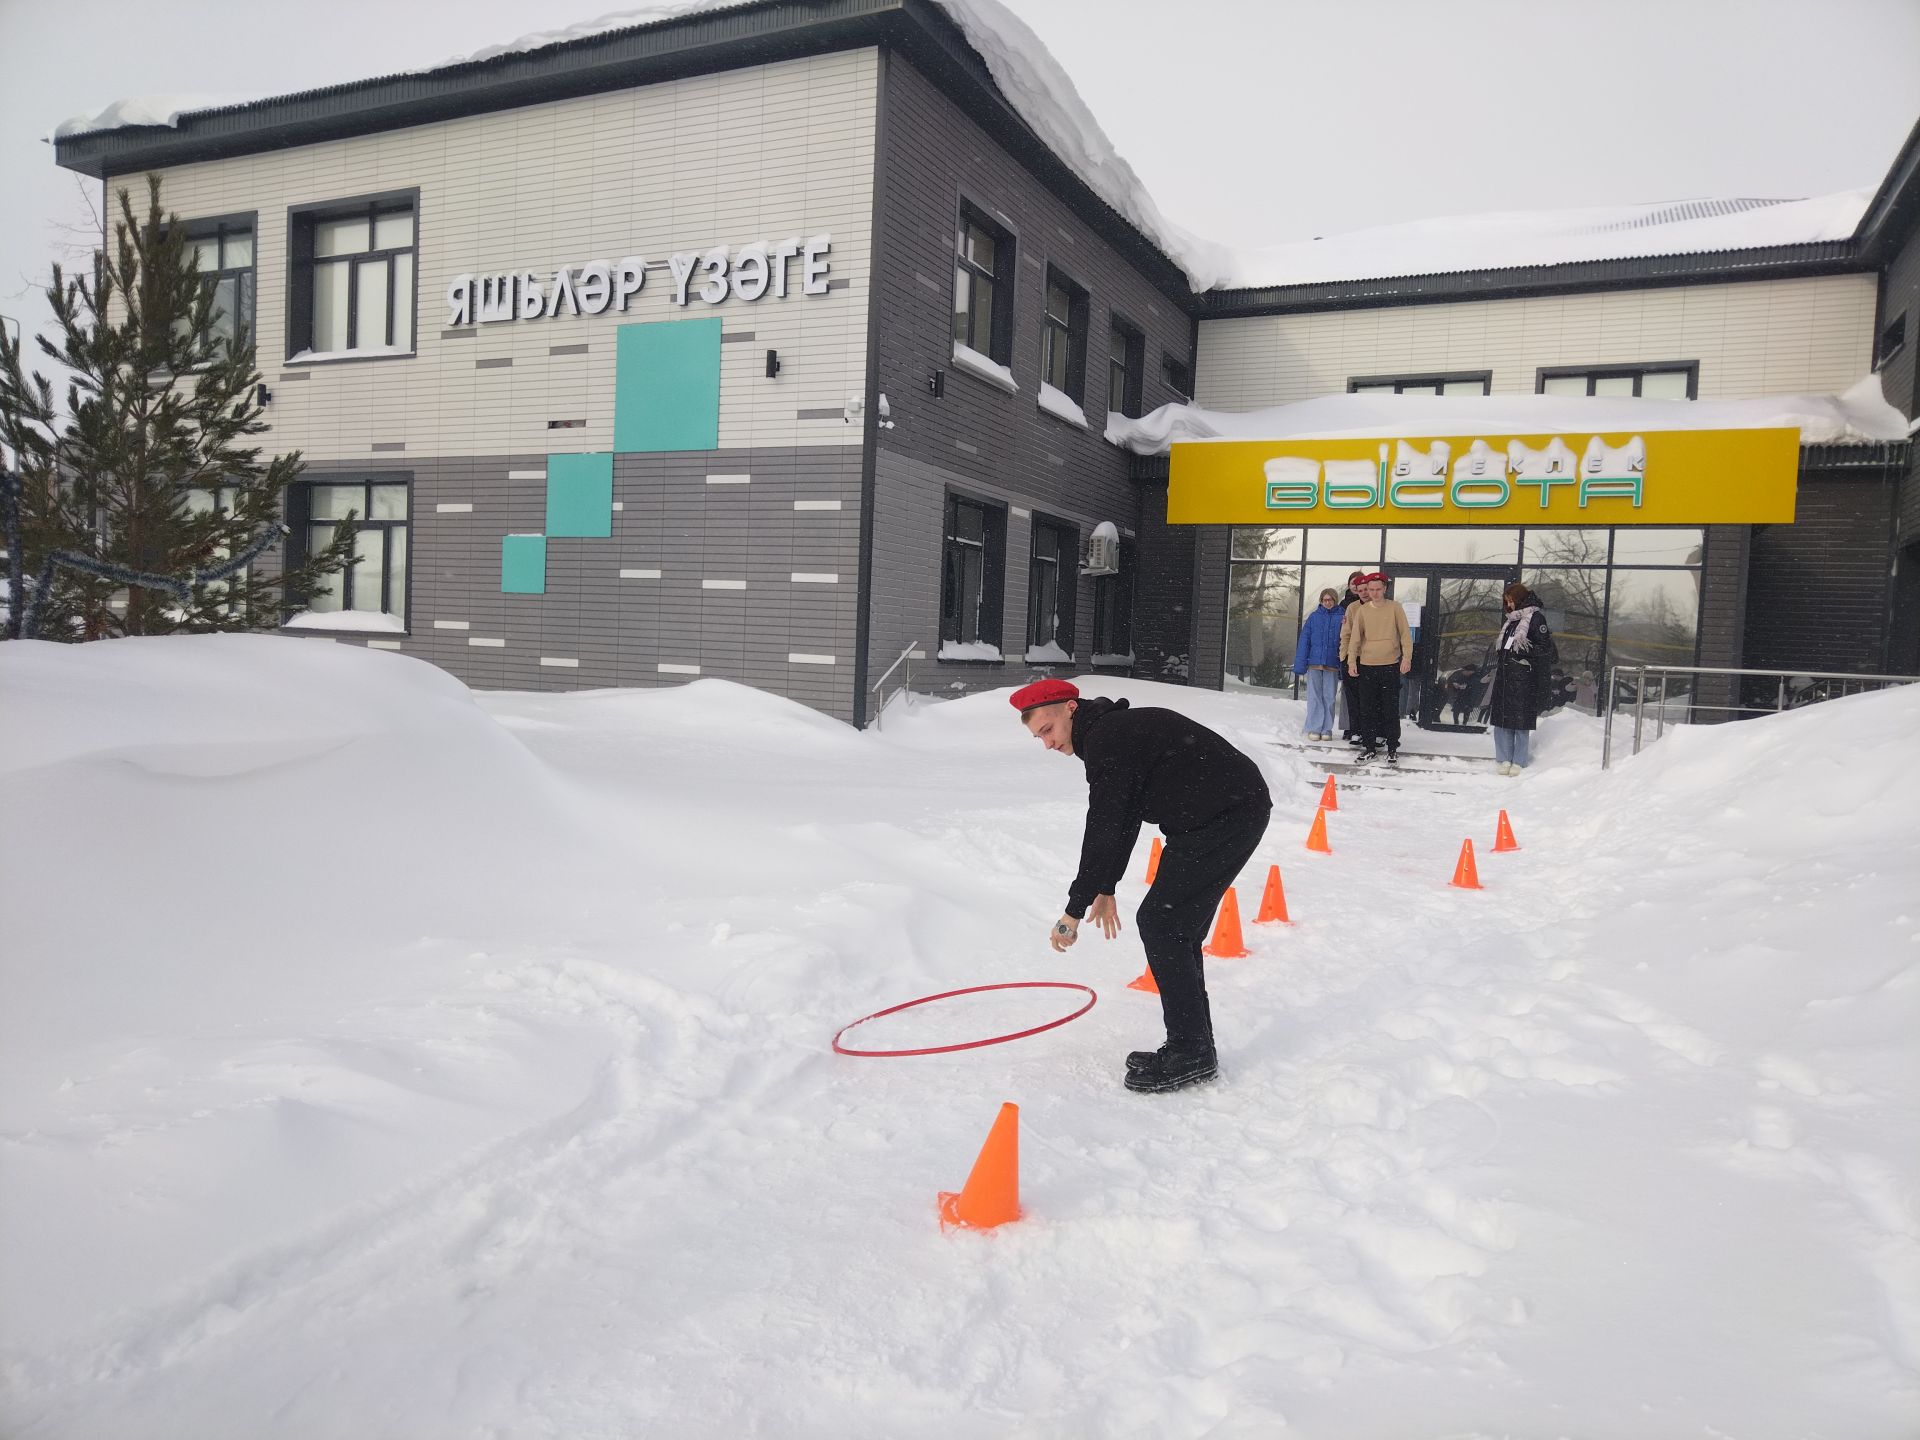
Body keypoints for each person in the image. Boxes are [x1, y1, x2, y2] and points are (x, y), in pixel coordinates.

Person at [1015, 678, 1271, 1094]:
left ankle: (1192, 1052)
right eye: (1037, 737)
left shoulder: (1108, 740)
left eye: (1047, 730)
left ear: (1070, 709)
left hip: (1228, 815)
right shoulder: (1110, 734)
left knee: (1163, 924)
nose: (1046, 744)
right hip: (1209, 819)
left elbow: (1106, 826)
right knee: (1173, 926)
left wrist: (1074, 909)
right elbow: (1123, 818)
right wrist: (1106, 886)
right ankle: (1192, 1046)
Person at [1342, 571, 1413, 763]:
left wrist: (1407, 658)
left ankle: (1392, 748)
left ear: (1385, 589)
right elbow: (1355, 638)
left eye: (1377, 589)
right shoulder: (1362, 611)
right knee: (1367, 709)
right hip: (1367, 666)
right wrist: (1351, 662)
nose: (1373, 593)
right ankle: (1369, 747)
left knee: (1390, 709)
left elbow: (1406, 635)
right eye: (1370, 589)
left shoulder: (1395, 608)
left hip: (1390, 666)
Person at [1487, 582, 1556, 775]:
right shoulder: (1512, 620)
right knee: (1502, 719)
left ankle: (1518, 760)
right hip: (1505, 675)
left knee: (1519, 719)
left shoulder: (1535, 618)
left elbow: (1546, 648)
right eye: (1506, 601)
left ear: (1519, 599)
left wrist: (1525, 653)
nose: (1508, 605)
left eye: (1511, 601)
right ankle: (1504, 758)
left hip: (1524, 677)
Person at [1291, 588, 1344, 740]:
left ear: (1335, 600)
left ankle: (1326, 729)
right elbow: (1304, 641)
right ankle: (1314, 728)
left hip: (1332, 663)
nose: (1328, 602)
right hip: (1314, 663)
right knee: (1314, 696)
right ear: (1321, 600)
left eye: (1330, 600)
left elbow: (1344, 641)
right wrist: (1300, 663)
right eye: (1325, 600)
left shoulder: (1342, 616)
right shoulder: (1313, 617)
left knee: (1329, 697)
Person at [1336, 570, 1365, 742]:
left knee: (1362, 695)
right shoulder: (1342, 605)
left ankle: (1360, 728)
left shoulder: (1367, 603)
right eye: (1353, 582)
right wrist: (1342, 655)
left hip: (1364, 655)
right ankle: (1349, 728)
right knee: (1348, 695)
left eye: (1359, 582)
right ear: (1349, 585)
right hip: (1346, 653)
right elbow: (1342, 632)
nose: (1355, 585)